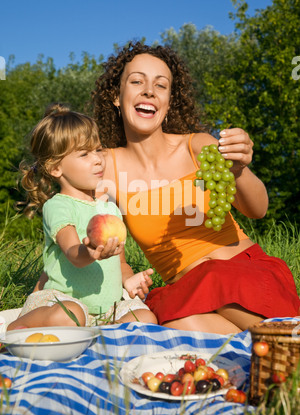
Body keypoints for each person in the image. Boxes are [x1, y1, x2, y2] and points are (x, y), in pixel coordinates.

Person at [91, 41, 300, 334]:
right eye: (137, 81)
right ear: (116, 95)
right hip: (188, 294)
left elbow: (258, 209)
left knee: (207, 286)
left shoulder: (198, 146)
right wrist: (127, 278)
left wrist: (238, 170)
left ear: (169, 101)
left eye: (160, 85)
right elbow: (117, 256)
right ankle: (279, 343)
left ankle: (285, 341)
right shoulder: (104, 168)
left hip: (247, 274)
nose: (149, 90)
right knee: (172, 323)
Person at [7, 103, 157, 331]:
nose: (97, 159)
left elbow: (122, 262)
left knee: (145, 319)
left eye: (98, 150)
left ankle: (94, 337)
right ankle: (18, 326)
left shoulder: (111, 210)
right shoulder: (58, 206)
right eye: (85, 154)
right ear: (56, 168)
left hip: (107, 310)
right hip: (61, 301)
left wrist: (129, 280)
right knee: (73, 315)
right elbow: (73, 254)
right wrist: (91, 253)